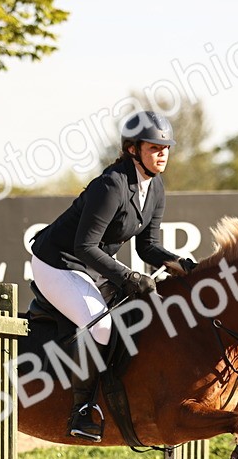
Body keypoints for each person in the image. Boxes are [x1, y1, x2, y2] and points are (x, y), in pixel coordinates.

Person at [29, 110, 196, 442]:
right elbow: (85, 245)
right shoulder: (112, 184)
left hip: (91, 267)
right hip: (57, 263)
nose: (162, 154)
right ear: (132, 149)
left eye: (165, 148)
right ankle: (81, 411)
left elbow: (148, 247)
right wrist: (129, 277)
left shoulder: (155, 187)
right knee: (101, 324)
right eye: (154, 148)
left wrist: (178, 262)